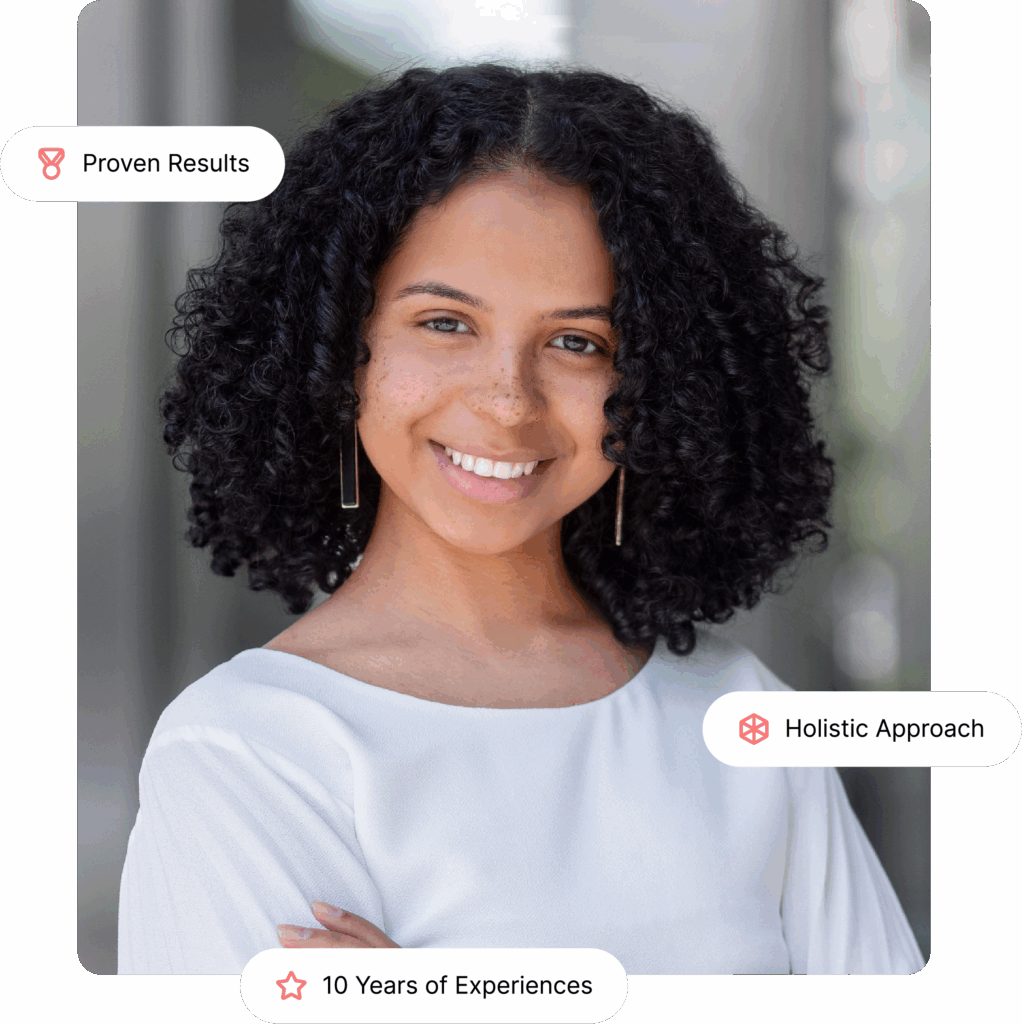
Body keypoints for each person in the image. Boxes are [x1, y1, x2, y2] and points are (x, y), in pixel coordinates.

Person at [117, 63, 924, 975]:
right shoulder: (250, 751)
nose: (507, 402)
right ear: (343, 344)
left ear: (656, 384)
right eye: (445, 324)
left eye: (578, 343)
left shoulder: (743, 722)